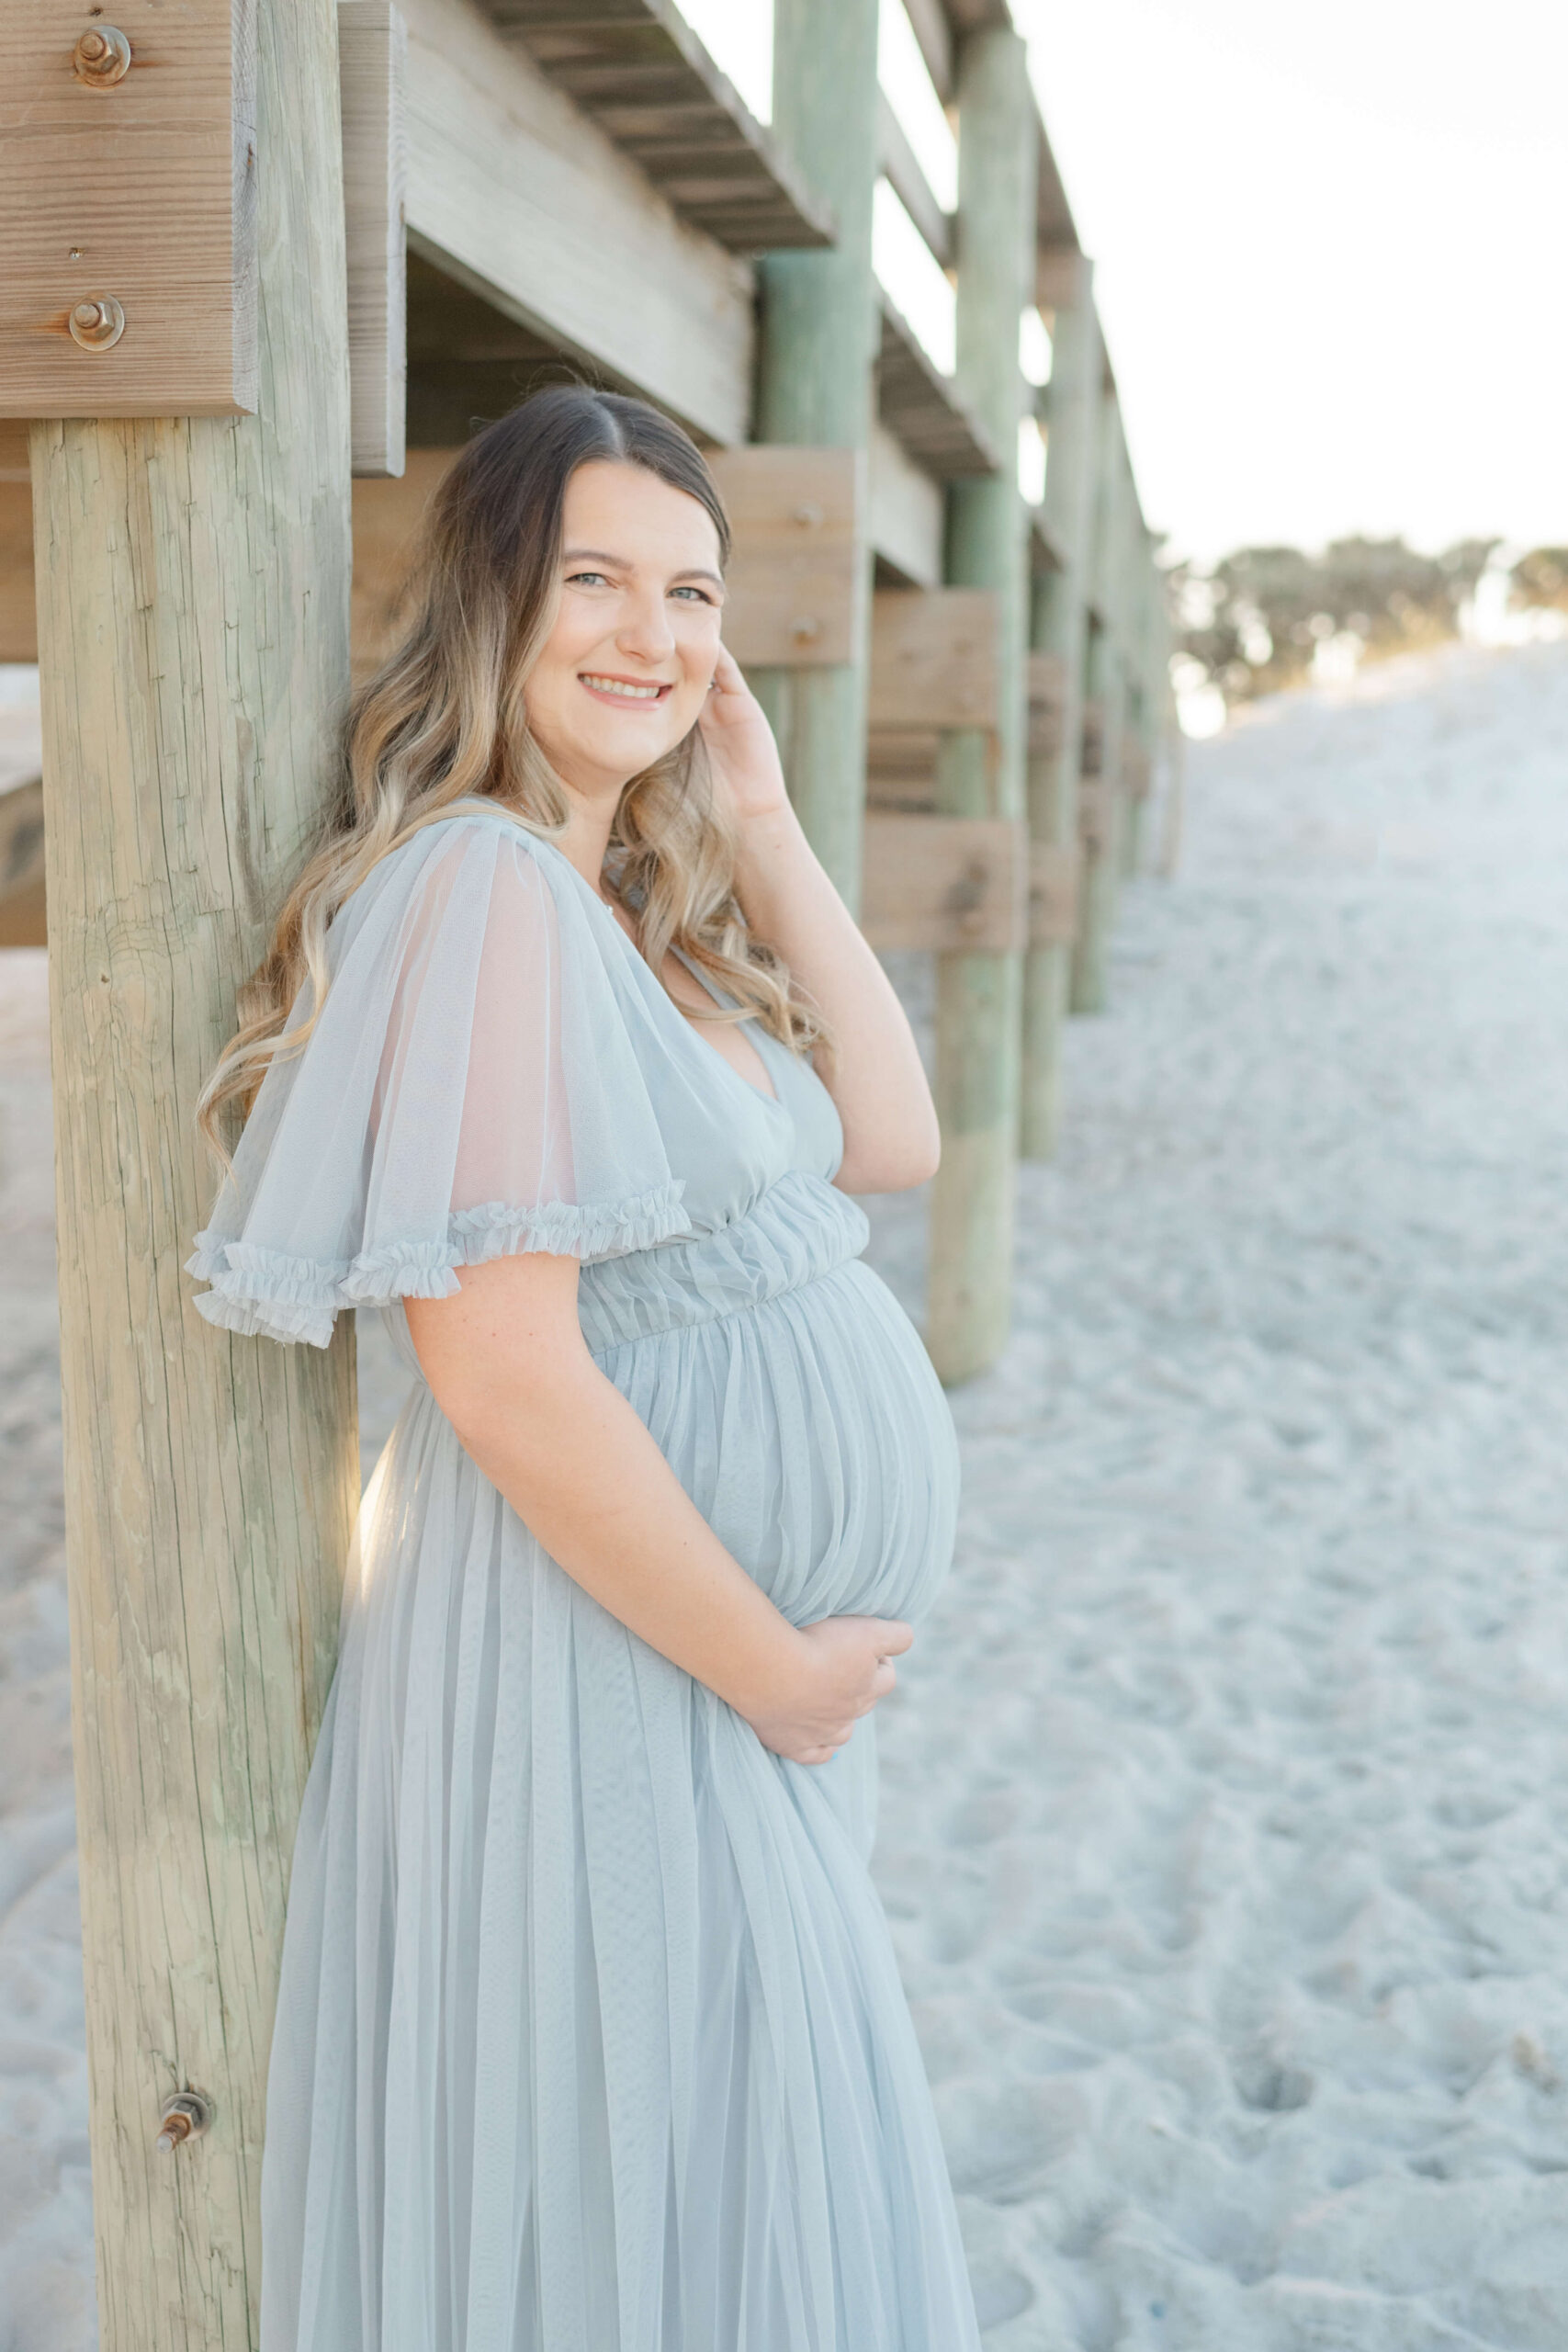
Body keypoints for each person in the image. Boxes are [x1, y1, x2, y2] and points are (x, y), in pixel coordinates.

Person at [190, 384, 980, 2350]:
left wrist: (771, 822)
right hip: (617, 1657)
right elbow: (505, 1376)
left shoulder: (627, 906)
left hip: (691, 1665)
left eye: (691, 591)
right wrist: (774, 1665)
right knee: (672, 2187)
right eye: (594, 580)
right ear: (495, 602)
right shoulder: (480, 894)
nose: (651, 634)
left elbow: (887, 1137)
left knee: (711, 2180)